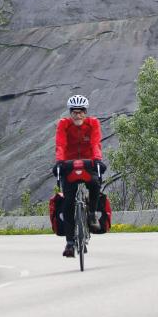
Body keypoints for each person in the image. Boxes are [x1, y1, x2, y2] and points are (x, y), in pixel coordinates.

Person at [54, 93, 104, 258]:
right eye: (74, 112)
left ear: (85, 112)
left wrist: (97, 160)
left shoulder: (93, 123)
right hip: (68, 164)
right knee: (68, 202)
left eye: (81, 111)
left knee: (95, 184)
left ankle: (91, 215)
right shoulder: (63, 124)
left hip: (89, 162)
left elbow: (95, 142)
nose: (78, 115)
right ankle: (69, 243)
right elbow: (60, 144)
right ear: (70, 113)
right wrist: (60, 162)